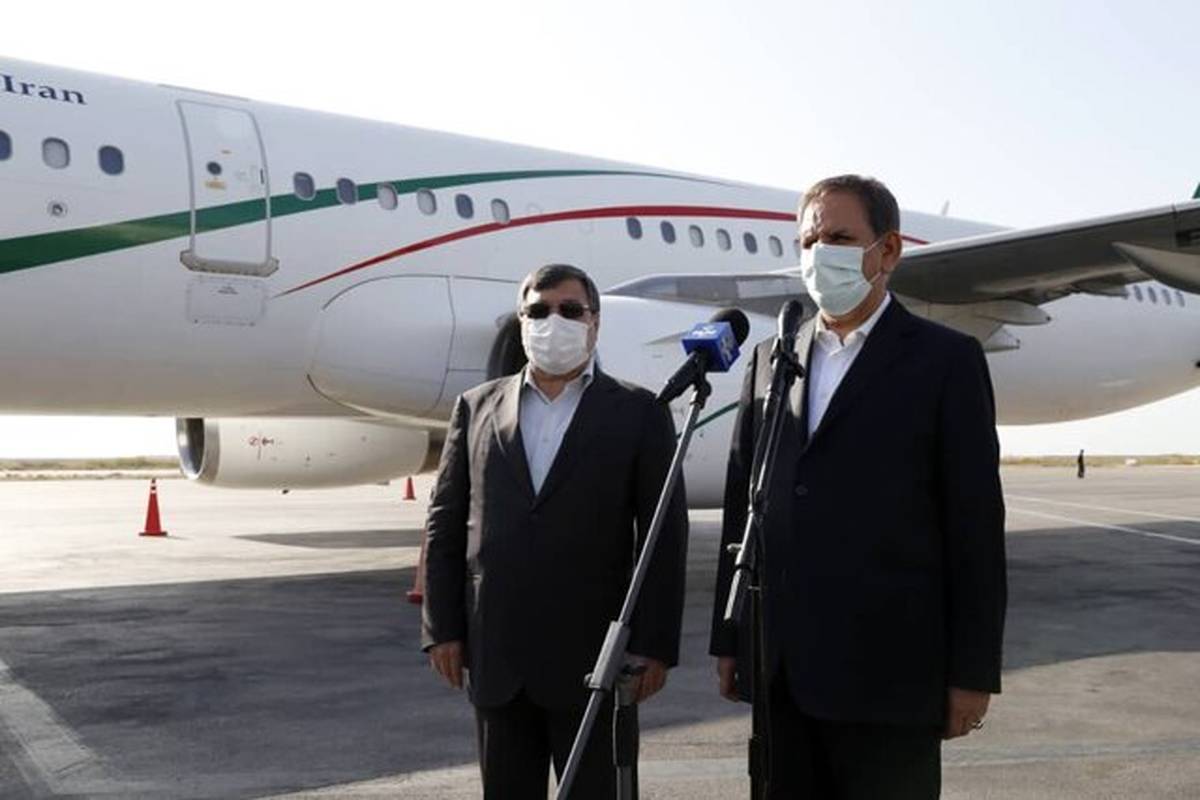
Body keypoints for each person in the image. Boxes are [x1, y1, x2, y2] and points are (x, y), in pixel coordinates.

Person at [709, 175, 1007, 798]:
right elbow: (745, 505)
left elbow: (974, 527)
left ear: (887, 250)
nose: (819, 254)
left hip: (891, 678)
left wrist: (972, 671)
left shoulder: (945, 361)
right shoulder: (771, 358)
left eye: (839, 238)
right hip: (781, 673)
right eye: (808, 241)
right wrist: (730, 638)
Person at [422, 263, 689, 799]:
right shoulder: (476, 407)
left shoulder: (638, 412)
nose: (553, 321)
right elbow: (446, 521)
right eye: (538, 310)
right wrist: (442, 628)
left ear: (595, 323)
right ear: (521, 321)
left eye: (570, 310)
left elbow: (663, 536)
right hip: (498, 658)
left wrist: (654, 646)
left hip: (593, 663)